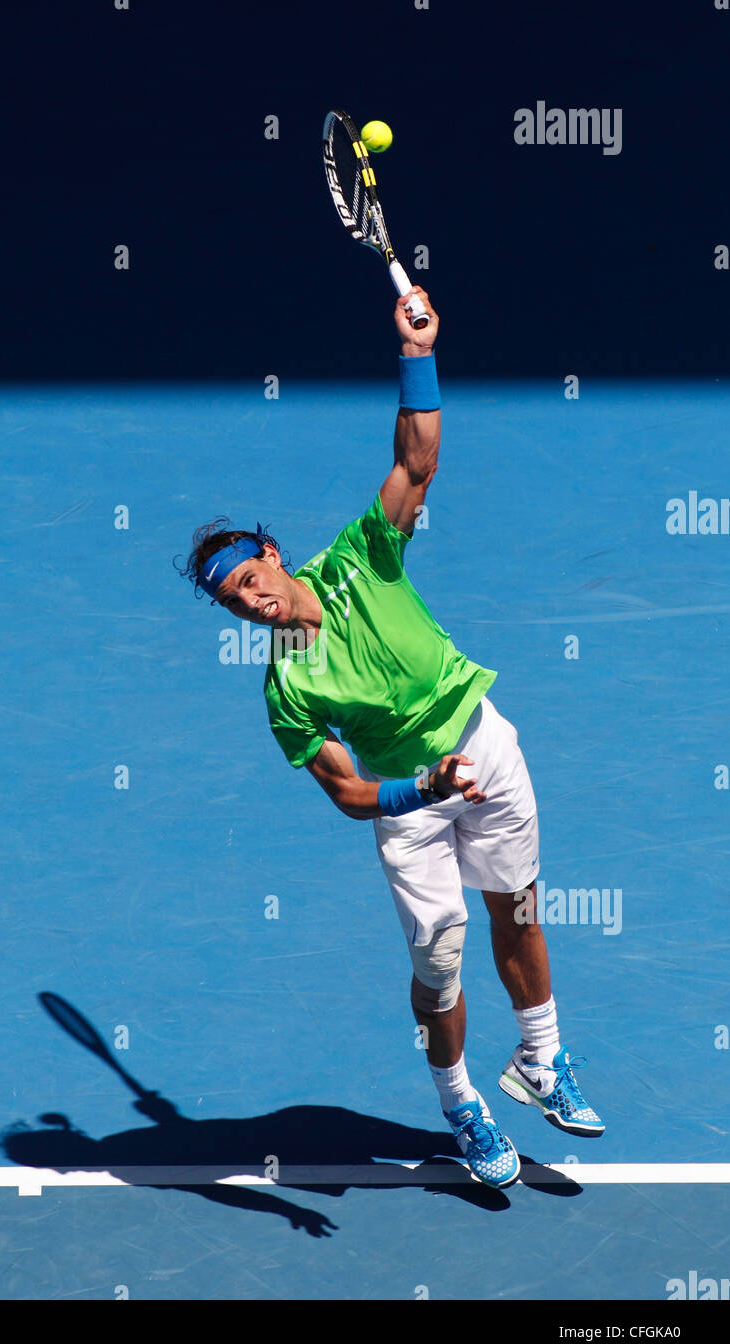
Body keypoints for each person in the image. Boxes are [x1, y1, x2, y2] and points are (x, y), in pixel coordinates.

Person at [179, 287, 603, 1188]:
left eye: (249, 579)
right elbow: (346, 794)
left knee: (518, 907)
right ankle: (459, 1105)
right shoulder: (286, 689)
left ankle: (541, 1058)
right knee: (442, 963)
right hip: (414, 806)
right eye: (232, 602)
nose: (250, 603)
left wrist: (418, 352)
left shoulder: (365, 551)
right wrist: (427, 790)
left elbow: (418, 461)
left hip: (483, 741)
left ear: (272, 554)